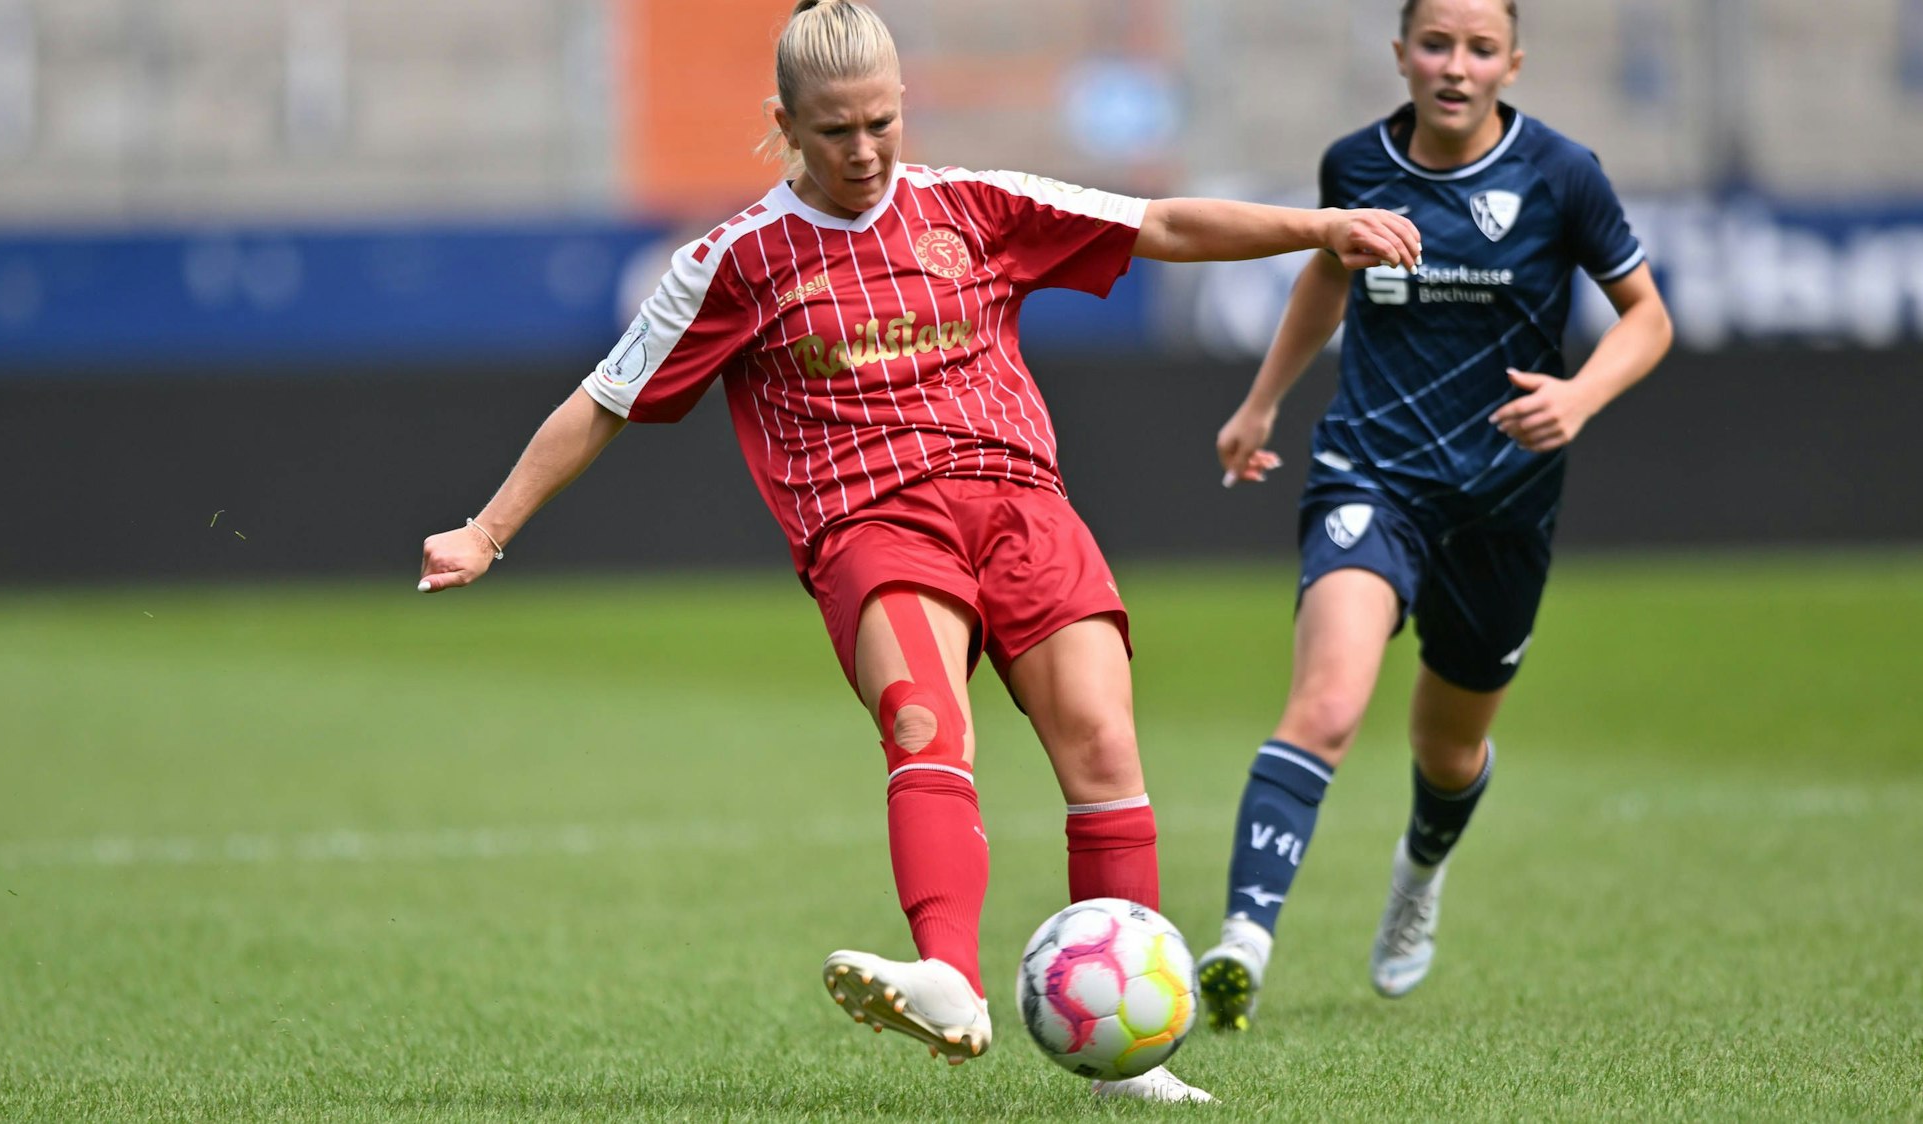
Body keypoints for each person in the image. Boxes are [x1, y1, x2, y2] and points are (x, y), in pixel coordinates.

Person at [418, 0, 1417, 1100]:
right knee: (923, 720)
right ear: (786, 122)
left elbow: (1163, 223)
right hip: (871, 522)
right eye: (836, 129)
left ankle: (1127, 1062)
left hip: (1024, 507)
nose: (864, 151)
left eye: (882, 123)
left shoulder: (976, 204)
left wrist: (1315, 228)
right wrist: (487, 528)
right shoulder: (736, 259)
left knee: (1102, 746)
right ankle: (948, 972)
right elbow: (603, 397)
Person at [1194, 0, 1674, 1032]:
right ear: (1401, 53)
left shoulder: (1560, 173)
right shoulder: (1353, 165)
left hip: (1502, 504)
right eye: (1435, 43)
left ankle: (1418, 873)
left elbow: (1650, 315)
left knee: (1446, 750)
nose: (1454, 66)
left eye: (1478, 48)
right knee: (1325, 704)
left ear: (1512, 62)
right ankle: (1240, 941)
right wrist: (1261, 401)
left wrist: (1578, 396)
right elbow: (1328, 272)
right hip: (1371, 476)